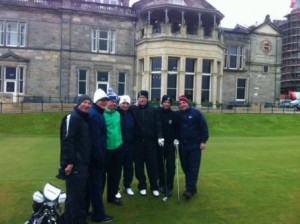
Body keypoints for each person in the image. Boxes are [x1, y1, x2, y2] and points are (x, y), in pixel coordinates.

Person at [62, 95, 92, 224]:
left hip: (83, 163)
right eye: (85, 102)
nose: (87, 105)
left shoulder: (83, 118)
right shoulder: (73, 117)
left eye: (89, 103)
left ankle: (72, 219)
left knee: (78, 194)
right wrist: (69, 162)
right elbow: (68, 141)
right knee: (75, 195)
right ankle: (76, 220)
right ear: (79, 103)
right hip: (75, 164)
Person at [130, 90, 164, 197]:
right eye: (140, 98)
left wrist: (160, 137)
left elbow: (158, 124)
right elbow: (122, 106)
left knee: (152, 165)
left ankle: (154, 186)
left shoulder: (153, 110)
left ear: (147, 99)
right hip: (138, 142)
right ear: (137, 99)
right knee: (139, 166)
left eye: (144, 97)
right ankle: (142, 186)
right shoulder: (133, 109)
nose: (142, 99)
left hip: (151, 142)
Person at [176, 95, 209, 200]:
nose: (182, 105)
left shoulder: (196, 113)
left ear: (188, 103)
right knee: (185, 167)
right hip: (182, 145)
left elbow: (204, 128)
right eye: (180, 104)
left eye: (183, 103)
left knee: (193, 168)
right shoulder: (178, 115)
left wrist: (203, 141)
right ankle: (192, 187)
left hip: (194, 145)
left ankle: (189, 190)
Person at [88, 89, 113, 222]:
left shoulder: (98, 113)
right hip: (96, 158)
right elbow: (95, 140)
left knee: (95, 186)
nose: (104, 102)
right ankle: (98, 215)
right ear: (96, 101)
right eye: (102, 101)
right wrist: (99, 159)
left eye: (105, 100)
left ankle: (92, 211)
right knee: (97, 187)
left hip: (97, 156)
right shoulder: (94, 115)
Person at [103, 89, 124, 206]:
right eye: (112, 101)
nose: (114, 104)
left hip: (118, 148)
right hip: (106, 149)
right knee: (102, 177)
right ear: (107, 102)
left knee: (115, 175)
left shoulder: (117, 114)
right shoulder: (101, 114)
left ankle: (112, 197)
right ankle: (97, 199)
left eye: (116, 102)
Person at [157, 95, 179, 197]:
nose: (167, 104)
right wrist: (159, 137)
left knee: (170, 167)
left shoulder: (174, 115)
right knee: (160, 166)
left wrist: (176, 138)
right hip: (160, 143)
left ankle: (169, 186)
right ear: (162, 102)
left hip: (170, 144)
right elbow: (157, 126)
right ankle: (161, 184)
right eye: (165, 102)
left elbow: (177, 128)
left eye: (168, 102)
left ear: (171, 104)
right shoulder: (157, 112)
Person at [118, 95, 135, 196]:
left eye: (127, 103)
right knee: (117, 168)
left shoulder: (132, 113)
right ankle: (115, 188)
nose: (125, 105)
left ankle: (127, 186)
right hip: (119, 145)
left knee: (129, 167)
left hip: (130, 145)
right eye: (123, 103)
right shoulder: (116, 113)